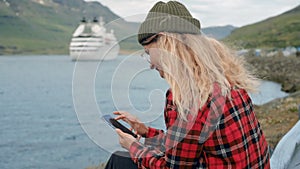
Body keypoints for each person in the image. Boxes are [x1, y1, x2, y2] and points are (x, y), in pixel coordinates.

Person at [105, 1, 270, 168]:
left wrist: (133, 147)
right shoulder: (228, 80)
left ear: (166, 44)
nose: (150, 64)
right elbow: (187, 144)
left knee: (120, 160)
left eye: (148, 53)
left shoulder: (186, 99)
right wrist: (146, 132)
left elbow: (172, 166)